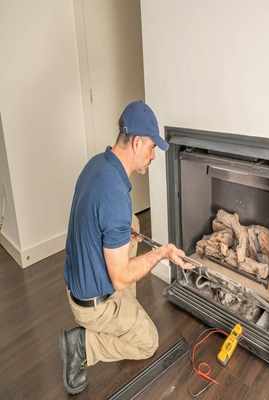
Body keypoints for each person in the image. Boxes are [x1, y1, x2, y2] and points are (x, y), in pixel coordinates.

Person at [59, 100, 193, 395]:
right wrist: (161, 253)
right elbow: (120, 278)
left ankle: (124, 309)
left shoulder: (98, 164)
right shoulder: (116, 196)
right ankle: (82, 345)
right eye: (152, 147)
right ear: (137, 142)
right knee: (148, 342)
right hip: (92, 305)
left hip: (76, 280)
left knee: (132, 222)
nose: (153, 155)